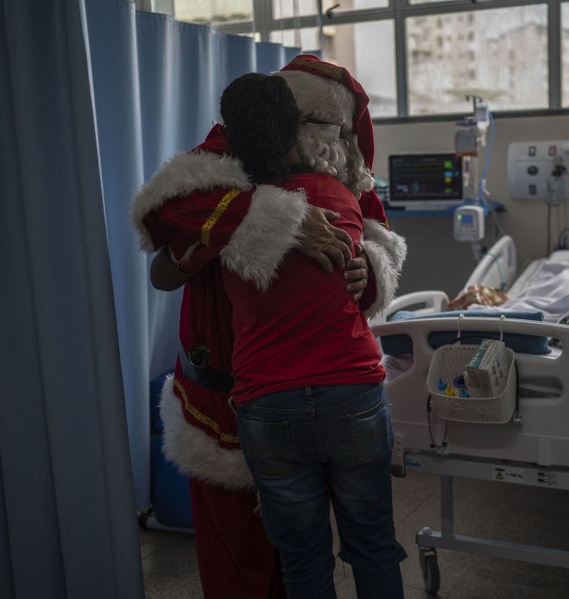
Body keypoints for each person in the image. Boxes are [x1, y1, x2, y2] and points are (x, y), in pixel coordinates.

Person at [131, 59, 407, 598]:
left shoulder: (335, 192)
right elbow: (165, 265)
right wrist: (258, 215)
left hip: (264, 400)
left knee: (300, 557)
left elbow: (377, 250)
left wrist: (368, 269)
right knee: (335, 546)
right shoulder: (218, 185)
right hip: (242, 398)